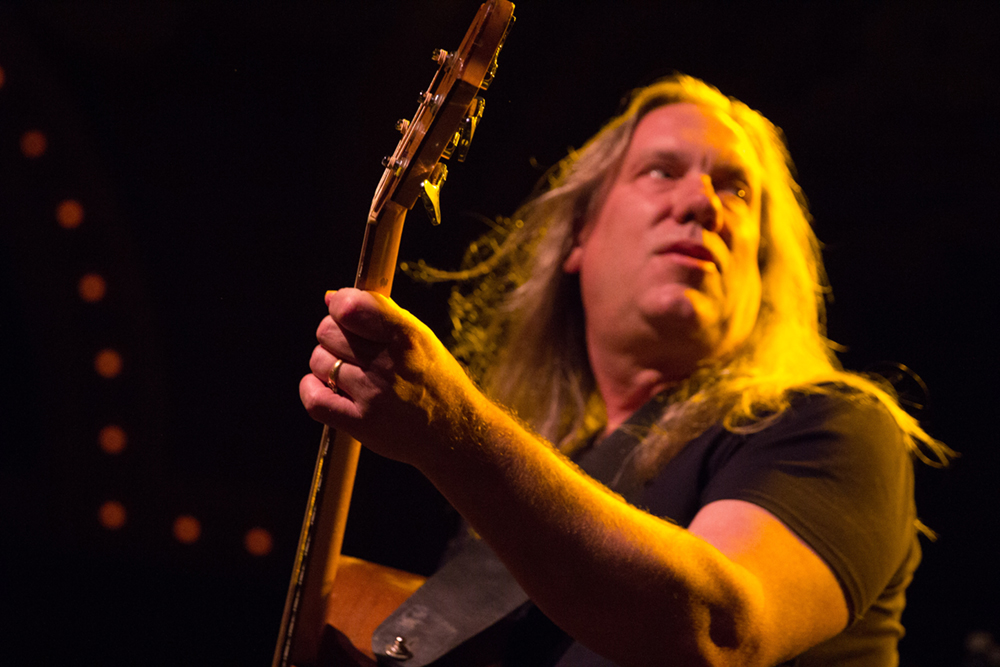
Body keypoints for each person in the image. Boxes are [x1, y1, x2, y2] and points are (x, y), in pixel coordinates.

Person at [299, 74, 951, 666]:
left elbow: (719, 629)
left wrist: (460, 433)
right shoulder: (538, 481)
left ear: (762, 265)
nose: (702, 204)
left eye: (736, 187)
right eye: (662, 172)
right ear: (579, 238)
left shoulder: (832, 428)